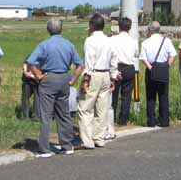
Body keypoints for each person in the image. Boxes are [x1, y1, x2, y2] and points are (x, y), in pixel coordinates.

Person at [27, 18, 84, 158]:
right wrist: (73, 80)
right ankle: (66, 145)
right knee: (64, 114)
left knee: (46, 115)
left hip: (49, 78)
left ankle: (45, 148)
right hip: (64, 78)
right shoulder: (68, 44)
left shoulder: (44, 45)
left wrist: (38, 75)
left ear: (48, 29)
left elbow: (30, 61)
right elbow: (80, 65)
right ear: (61, 29)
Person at [78, 14, 116, 149]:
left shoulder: (90, 41)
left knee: (85, 108)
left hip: (94, 74)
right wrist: (113, 77)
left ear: (91, 26)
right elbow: (113, 60)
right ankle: (99, 138)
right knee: (102, 108)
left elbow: (89, 62)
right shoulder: (109, 40)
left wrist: (85, 80)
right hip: (106, 74)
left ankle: (87, 141)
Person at [140, 21, 177, 127]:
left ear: (150, 30)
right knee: (163, 96)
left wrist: (151, 68)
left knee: (150, 97)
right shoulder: (167, 41)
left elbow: (143, 58)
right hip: (163, 69)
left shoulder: (145, 43)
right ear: (159, 29)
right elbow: (172, 55)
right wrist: (167, 66)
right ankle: (164, 121)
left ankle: (151, 121)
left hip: (151, 70)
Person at [110, 16, 139, 125]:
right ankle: (123, 120)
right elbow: (136, 54)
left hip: (116, 67)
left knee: (114, 94)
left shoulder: (112, 39)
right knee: (126, 96)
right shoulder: (133, 41)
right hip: (129, 68)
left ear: (119, 27)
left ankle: (111, 119)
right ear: (130, 28)